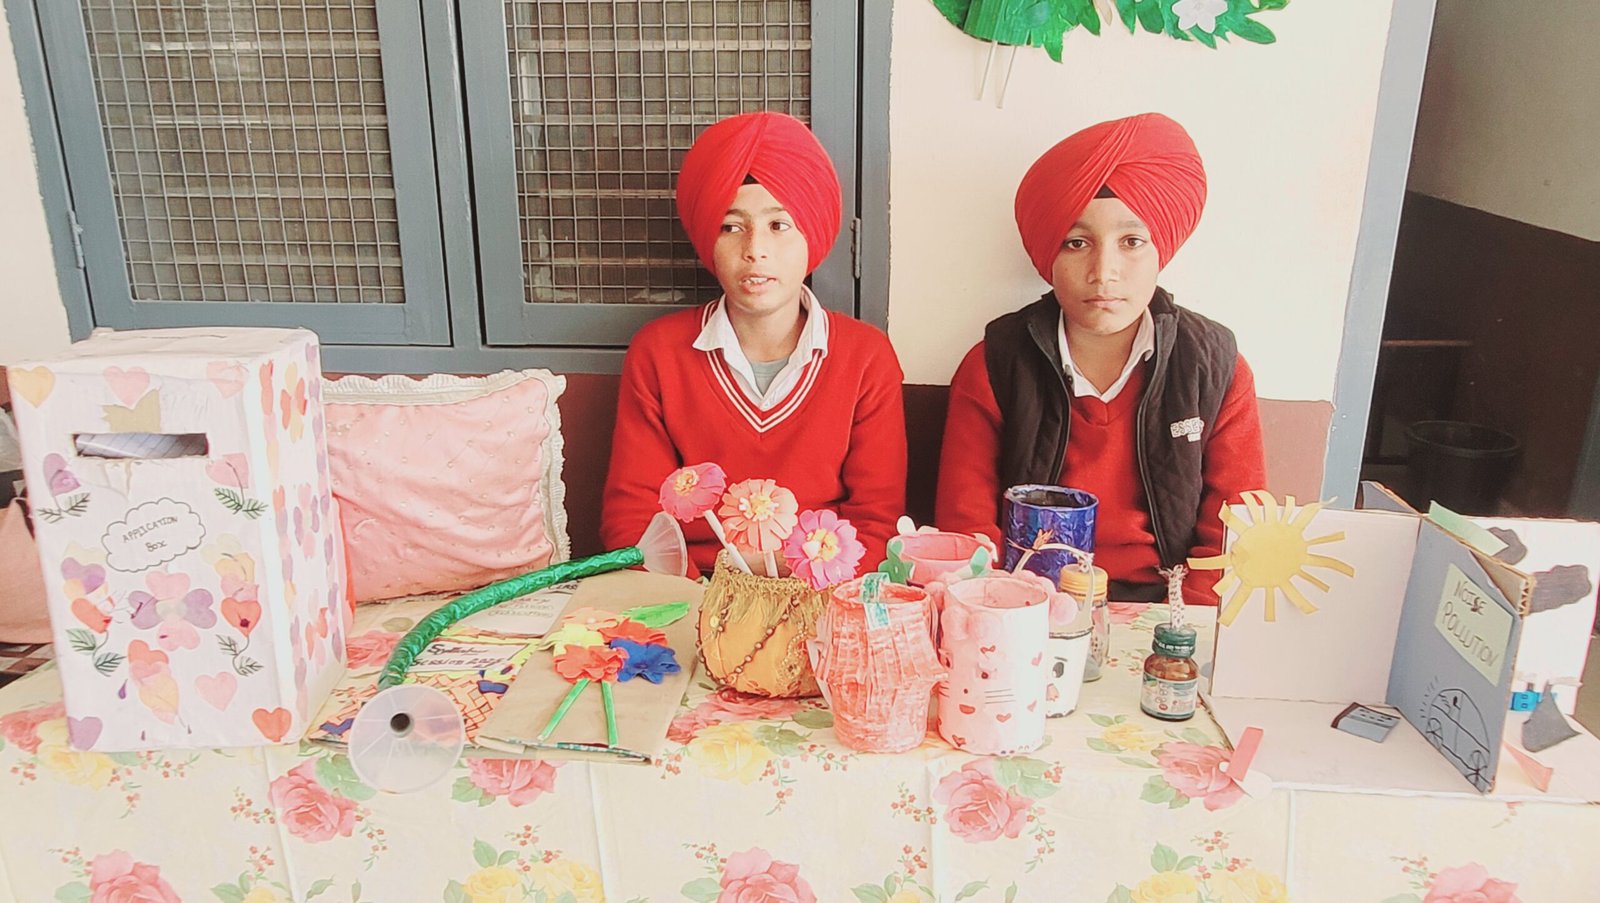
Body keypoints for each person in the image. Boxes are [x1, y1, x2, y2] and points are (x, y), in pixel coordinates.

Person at [935, 113, 1265, 602]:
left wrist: (1184, 623)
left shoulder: (1213, 366)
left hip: (1169, 608)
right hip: (1026, 603)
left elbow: (1233, 533)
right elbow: (967, 526)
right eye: (1077, 243)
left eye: (1132, 242)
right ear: (1050, 255)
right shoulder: (996, 363)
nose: (1104, 271)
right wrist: (1008, 610)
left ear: (1160, 249)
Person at [601, 112, 907, 576]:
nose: (755, 249)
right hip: (691, 592)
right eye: (731, 226)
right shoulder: (658, 353)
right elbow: (633, 521)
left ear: (811, 233)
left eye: (779, 225)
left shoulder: (866, 357)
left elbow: (876, 524)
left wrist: (792, 589)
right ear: (708, 238)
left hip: (819, 591)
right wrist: (703, 599)